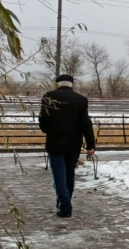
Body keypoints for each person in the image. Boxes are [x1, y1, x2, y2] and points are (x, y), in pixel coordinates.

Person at [39, 74, 95, 217]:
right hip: (73, 144)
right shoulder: (81, 100)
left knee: (59, 176)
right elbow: (86, 124)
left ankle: (65, 206)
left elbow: (43, 124)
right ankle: (66, 202)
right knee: (69, 174)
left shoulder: (48, 97)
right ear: (72, 84)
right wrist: (90, 145)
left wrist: (49, 128)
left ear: (58, 84)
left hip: (55, 143)